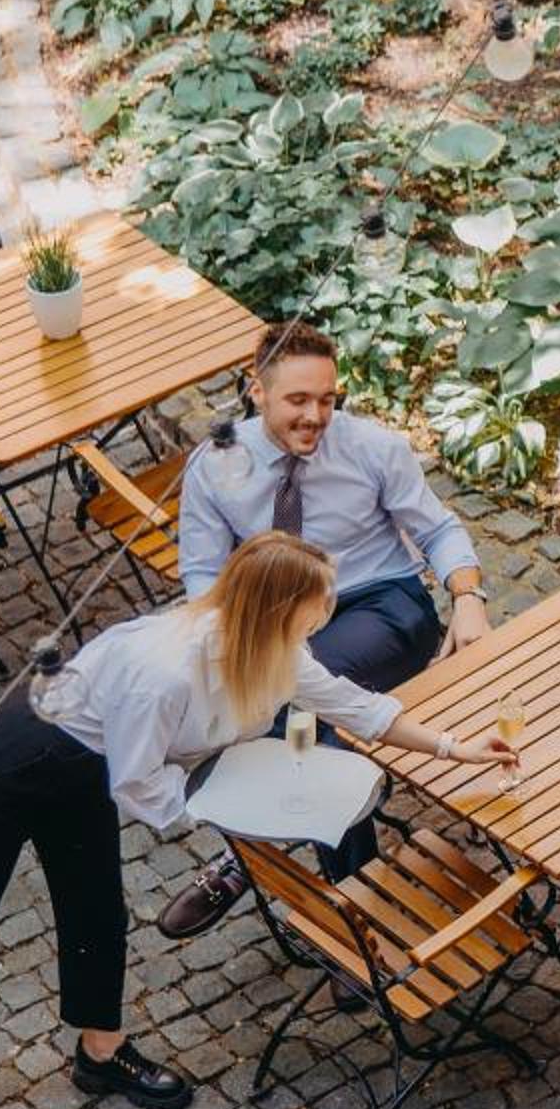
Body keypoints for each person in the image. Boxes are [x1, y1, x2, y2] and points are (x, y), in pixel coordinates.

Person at [0, 534, 517, 1109]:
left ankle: (100, 1052)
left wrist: (456, 749)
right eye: (320, 603)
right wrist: (235, 808)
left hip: (88, 765)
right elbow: (139, 783)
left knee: (96, 912)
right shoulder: (167, 674)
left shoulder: (277, 650)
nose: (329, 612)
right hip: (14, 757)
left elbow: (357, 708)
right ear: (278, 610)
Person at [157, 318, 493, 935]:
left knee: (296, 701)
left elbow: (439, 529)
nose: (315, 416)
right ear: (257, 391)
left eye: (327, 399)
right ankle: (339, 884)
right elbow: (203, 570)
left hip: (381, 606)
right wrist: (232, 639)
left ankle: (292, 876)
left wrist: (467, 596)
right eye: (298, 400)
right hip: (282, 622)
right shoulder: (214, 465)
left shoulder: (372, 448)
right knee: (285, 710)